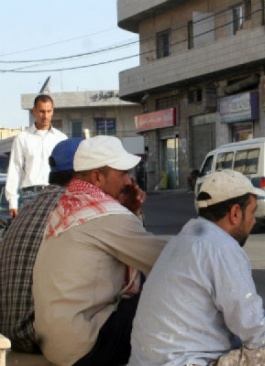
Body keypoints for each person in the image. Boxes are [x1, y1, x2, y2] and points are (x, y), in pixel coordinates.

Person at [129, 169, 265, 366]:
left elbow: (232, 314)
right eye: (252, 212)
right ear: (235, 213)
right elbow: (255, 333)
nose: (254, 221)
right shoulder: (220, 247)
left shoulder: (185, 240)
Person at [32, 135, 168, 366]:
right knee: (167, 290)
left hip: (57, 344)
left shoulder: (70, 206)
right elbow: (167, 259)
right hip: (85, 345)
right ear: (97, 176)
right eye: (122, 173)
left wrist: (131, 212)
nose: (128, 181)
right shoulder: (106, 214)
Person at [0, 138, 83, 353]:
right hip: (40, 334)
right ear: (89, 173)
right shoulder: (76, 208)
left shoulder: (29, 209)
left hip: (8, 331)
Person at [6, 94, 68, 218]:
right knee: (32, 235)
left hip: (56, 193)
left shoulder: (61, 138)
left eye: (48, 111)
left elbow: (67, 169)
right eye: (41, 111)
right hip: (30, 194)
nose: (45, 116)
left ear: (53, 111)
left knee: (55, 235)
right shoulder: (23, 138)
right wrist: (13, 202)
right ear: (34, 111)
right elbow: (15, 169)